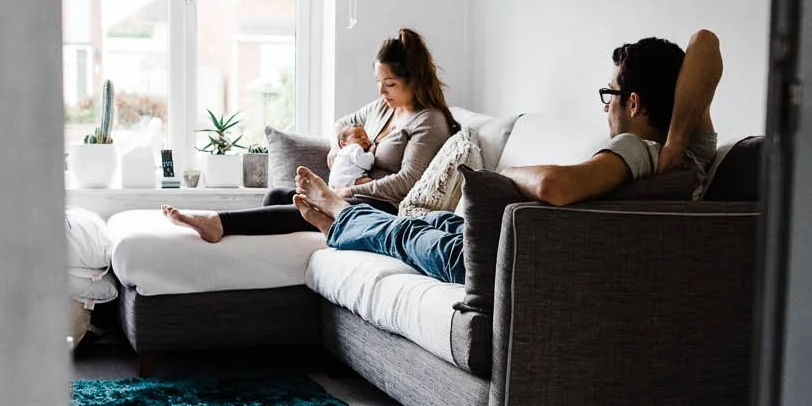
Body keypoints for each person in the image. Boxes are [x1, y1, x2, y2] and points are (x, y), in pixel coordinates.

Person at [289, 29, 724, 283]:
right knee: (416, 225)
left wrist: (509, 174)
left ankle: (341, 212)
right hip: (499, 243)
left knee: (401, 236)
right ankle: (344, 222)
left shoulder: (631, 147)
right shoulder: (691, 153)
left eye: (609, 94)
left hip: (496, 259)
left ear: (631, 103)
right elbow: (706, 42)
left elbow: (554, 186)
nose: (605, 105)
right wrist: (675, 142)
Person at [163, 29, 457, 242]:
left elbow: (408, 181)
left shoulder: (429, 121)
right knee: (279, 194)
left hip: (382, 207)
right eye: (379, 82)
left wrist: (346, 193)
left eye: (390, 84)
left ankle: (217, 223)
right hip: (353, 195)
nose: (381, 92)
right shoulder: (384, 107)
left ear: (414, 81)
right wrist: (337, 147)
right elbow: (343, 122)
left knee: (307, 204)